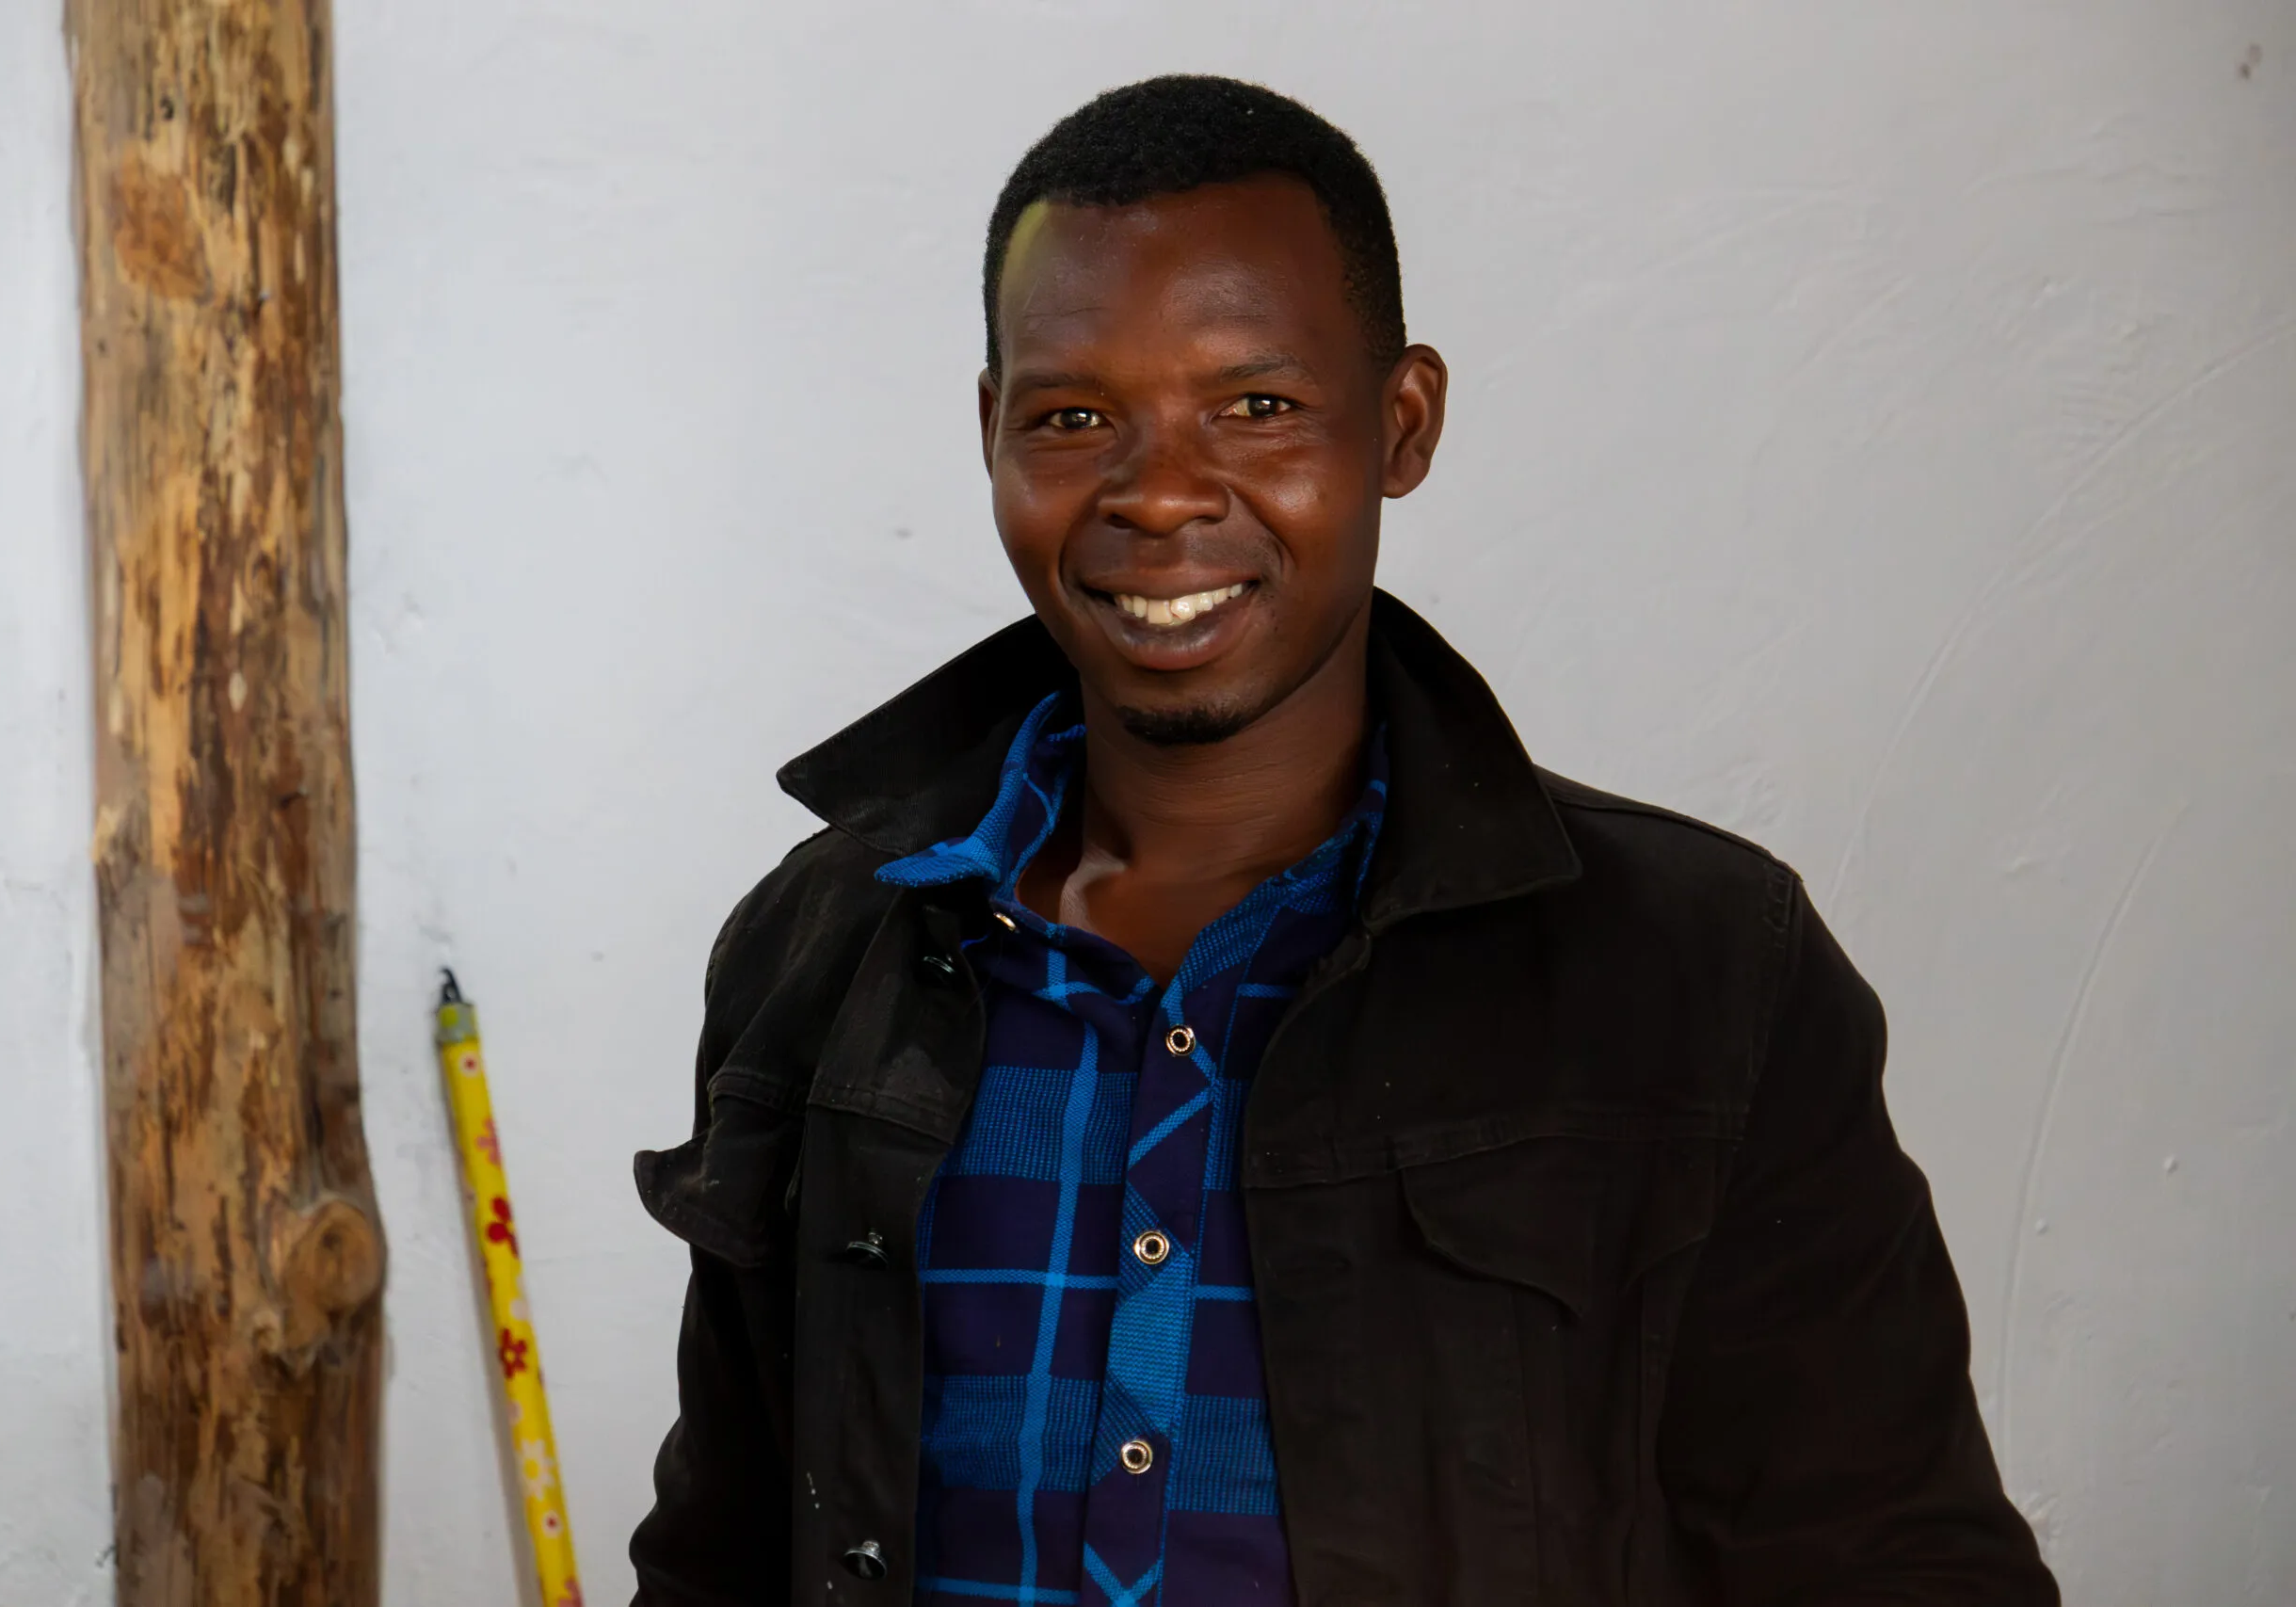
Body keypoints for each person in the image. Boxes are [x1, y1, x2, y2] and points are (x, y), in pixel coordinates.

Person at [629, 73, 2057, 1607]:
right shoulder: (830, 942)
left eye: (1256, 405)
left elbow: (1899, 1567)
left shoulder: (1701, 973)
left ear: (1402, 421)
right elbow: (719, 1554)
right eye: (1073, 416)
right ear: (991, 434)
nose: (1161, 492)